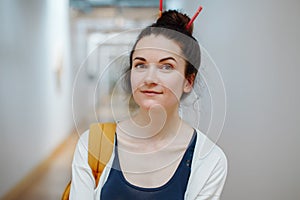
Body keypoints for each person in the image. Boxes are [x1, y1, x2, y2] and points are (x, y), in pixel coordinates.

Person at [70, 9, 227, 200]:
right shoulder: (92, 145)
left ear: (188, 81)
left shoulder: (209, 161)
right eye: (140, 65)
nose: (149, 78)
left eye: (166, 66)